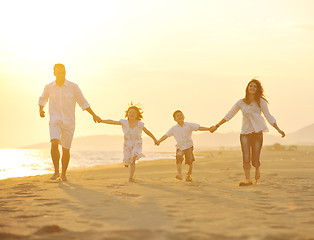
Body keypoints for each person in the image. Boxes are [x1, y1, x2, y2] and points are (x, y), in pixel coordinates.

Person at [210, 79, 285, 184]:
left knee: (255, 158)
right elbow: (230, 114)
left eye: (254, 86)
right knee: (246, 157)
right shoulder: (241, 102)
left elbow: (268, 116)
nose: (252, 88)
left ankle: (257, 169)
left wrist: (278, 129)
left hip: (257, 133)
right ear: (247, 88)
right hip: (245, 133)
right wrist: (217, 125)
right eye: (250, 86)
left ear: (257, 89)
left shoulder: (261, 102)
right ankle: (247, 179)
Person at [38, 63, 101, 181]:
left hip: (69, 122)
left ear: (65, 72)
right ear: (54, 73)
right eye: (59, 72)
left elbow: (83, 102)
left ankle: (63, 173)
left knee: (66, 149)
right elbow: (43, 99)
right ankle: (56, 171)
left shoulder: (73, 87)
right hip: (55, 120)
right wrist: (41, 110)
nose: (61, 74)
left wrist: (94, 115)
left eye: (63, 72)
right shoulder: (49, 87)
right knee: (54, 142)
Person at [100, 104, 157, 182]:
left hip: (137, 143)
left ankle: (131, 177)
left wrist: (154, 139)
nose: (132, 114)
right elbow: (113, 122)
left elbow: (147, 132)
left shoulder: (139, 124)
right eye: (130, 112)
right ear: (127, 114)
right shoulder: (124, 122)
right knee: (127, 159)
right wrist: (102, 120)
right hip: (127, 144)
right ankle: (126, 161)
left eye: (134, 113)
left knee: (133, 159)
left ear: (137, 115)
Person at [156, 110, 212, 182]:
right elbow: (166, 135)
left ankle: (188, 175)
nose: (180, 116)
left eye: (181, 115)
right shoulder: (174, 128)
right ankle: (179, 174)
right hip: (179, 147)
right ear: (175, 119)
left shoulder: (189, 125)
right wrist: (159, 141)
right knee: (178, 159)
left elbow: (199, 128)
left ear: (184, 116)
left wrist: (209, 129)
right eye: (178, 116)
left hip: (188, 146)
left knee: (190, 161)